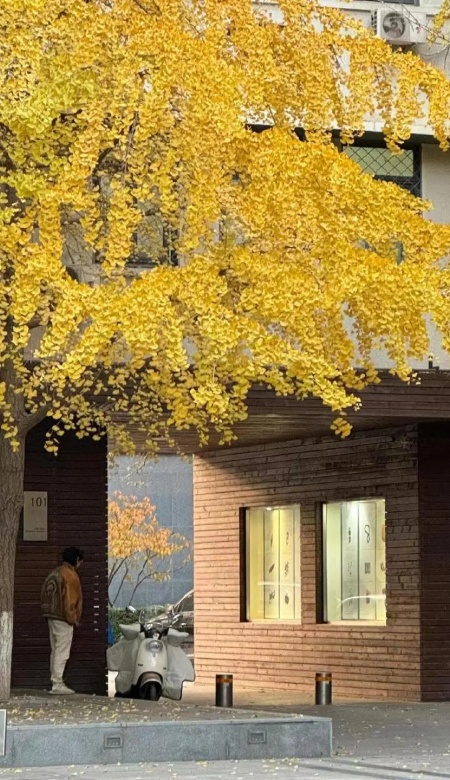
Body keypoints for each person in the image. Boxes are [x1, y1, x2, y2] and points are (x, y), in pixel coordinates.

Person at [41, 547, 84, 695]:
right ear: (76, 560)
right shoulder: (70, 576)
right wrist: (73, 619)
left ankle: (55, 681)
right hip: (63, 618)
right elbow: (70, 601)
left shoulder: (55, 572)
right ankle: (57, 683)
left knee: (55, 650)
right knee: (62, 651)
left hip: (51, 616)